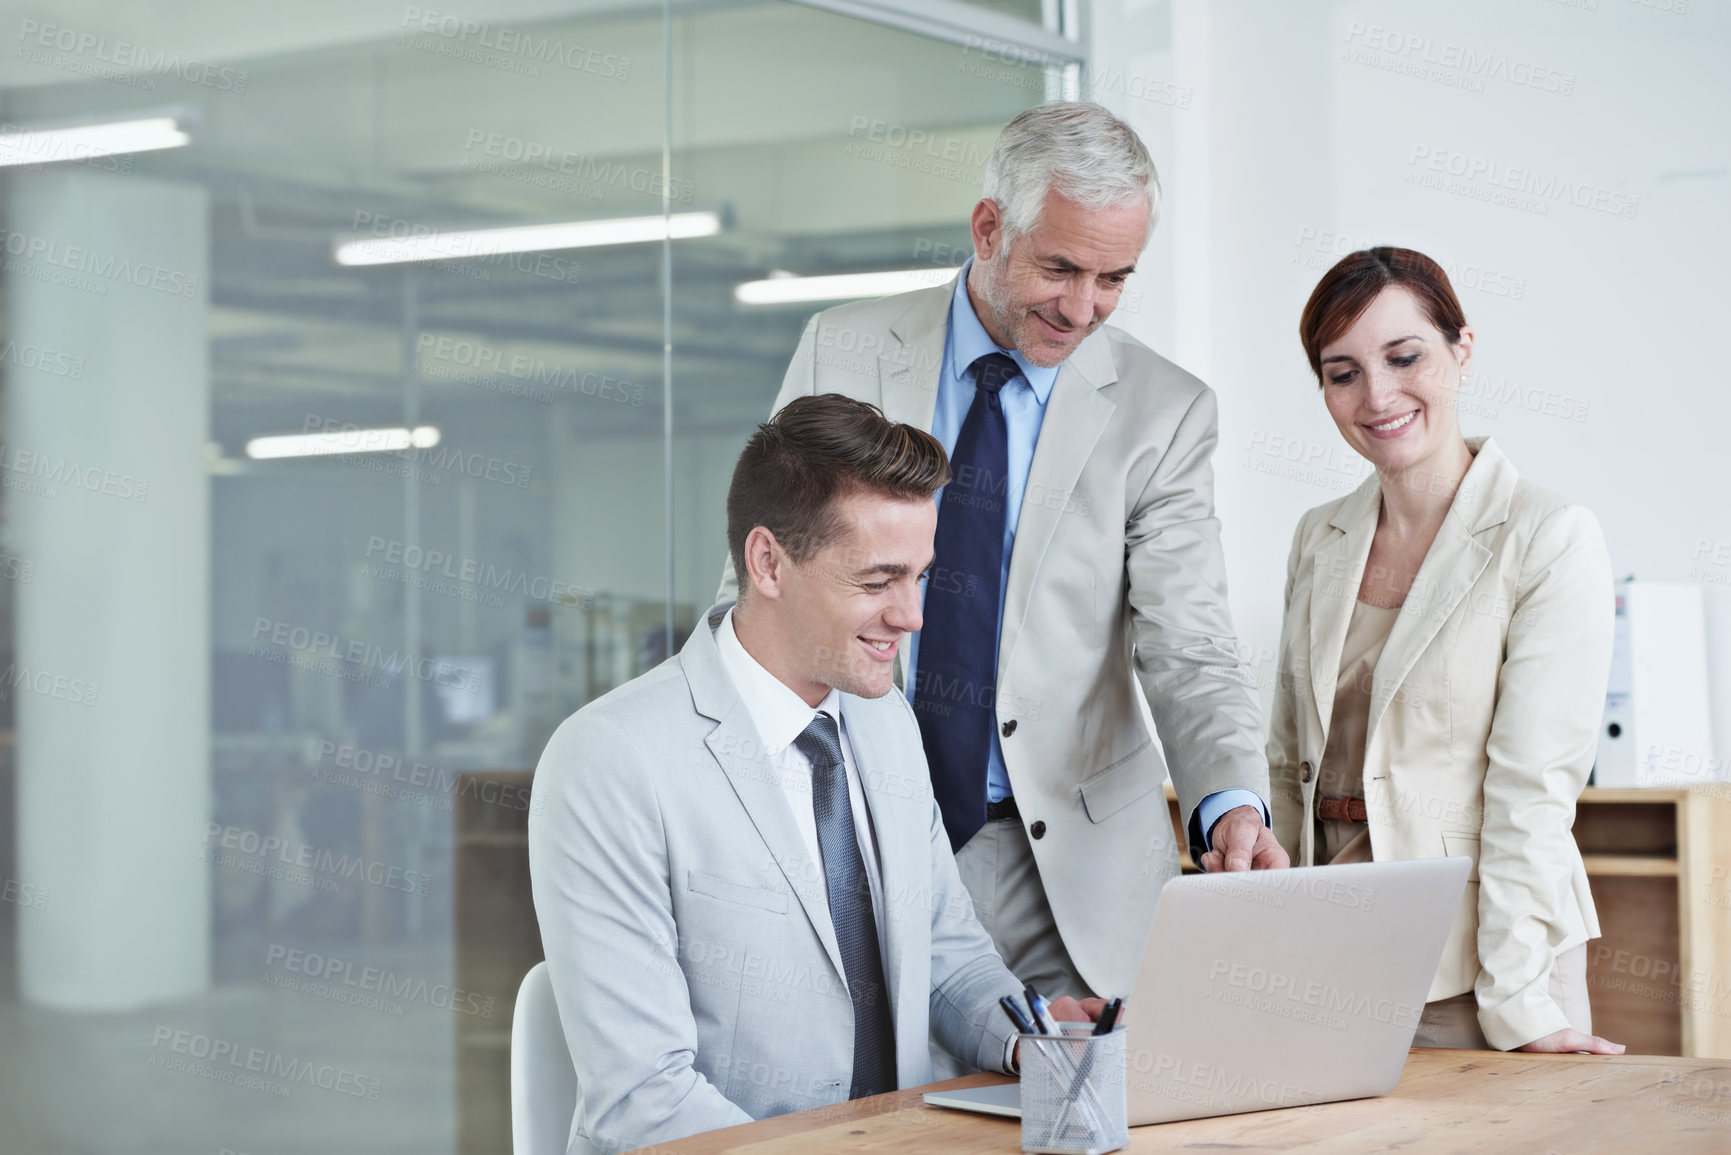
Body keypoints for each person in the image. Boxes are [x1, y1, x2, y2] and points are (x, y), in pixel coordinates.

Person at [718, 102, 1284, 1006]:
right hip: (866, 831)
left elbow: (1190, 642)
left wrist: (1231, 800)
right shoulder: (845, 347)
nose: (1082, 307)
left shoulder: (1163, 411)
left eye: (1113, 278)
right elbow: (764, 595)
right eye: (1059, 267)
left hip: (1068, 870)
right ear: (989, 228)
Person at [530, 394, 1102, 1155]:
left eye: (920, 577)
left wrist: (1029, 1033)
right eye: (876, 581)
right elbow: (644, 1098)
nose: (911, 616)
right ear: (769, 562)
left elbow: (939, 951)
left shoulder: (885, 719)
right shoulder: (610, 759)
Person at [1267, 246, 1623, 1054]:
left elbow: (1530, 793)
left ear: (1461, 350)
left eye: (1404, 357)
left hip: (1478, 967)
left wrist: (1520, 1001)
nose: (1377, 394)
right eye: (1341, 371)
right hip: (1329, 959)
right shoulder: (1317, 536)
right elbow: (1288, 755)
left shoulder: (1547, 535)